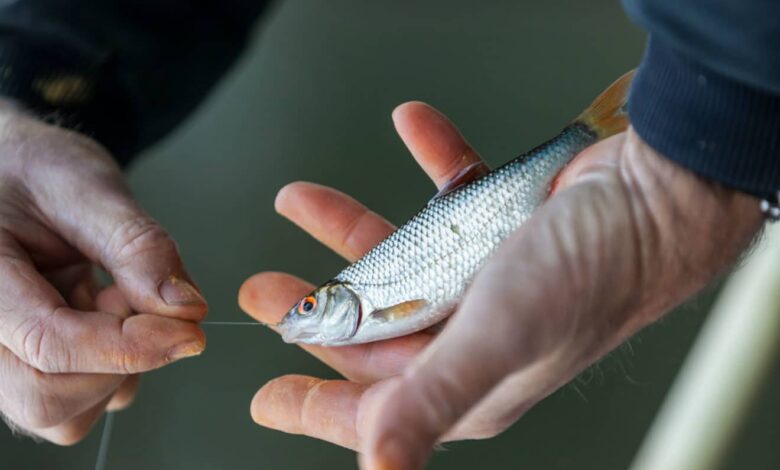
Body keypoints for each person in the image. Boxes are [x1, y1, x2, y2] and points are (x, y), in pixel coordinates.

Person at [0, 0, 776, 469]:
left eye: (307, 312)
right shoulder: (368, 307)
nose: (298, 319)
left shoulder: (375, 307)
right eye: (306, 315)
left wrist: (703, 153)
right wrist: (30, 89)